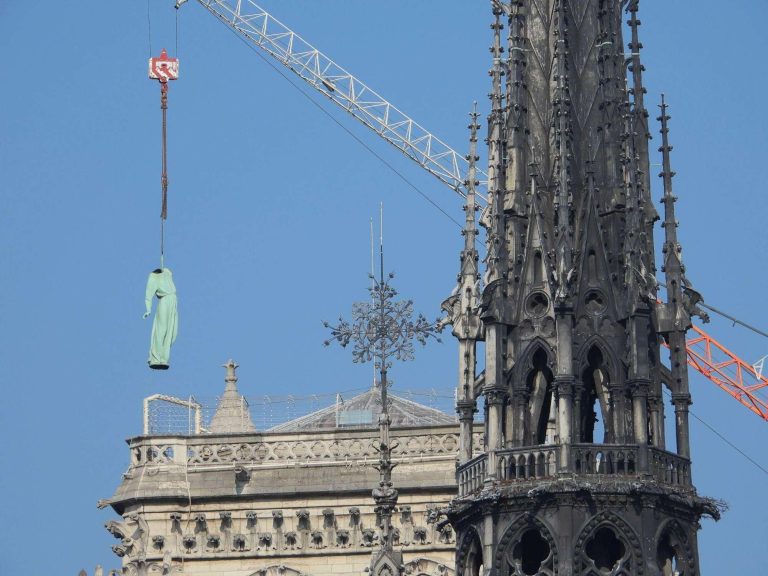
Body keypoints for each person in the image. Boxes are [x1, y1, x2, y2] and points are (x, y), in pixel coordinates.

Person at [143, 267, 178, 369]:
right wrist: (148, 309)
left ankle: (164, 357)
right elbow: (148, 296)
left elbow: (168, 271)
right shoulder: (153, 277)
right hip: (164, 301)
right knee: (161, 330)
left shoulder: (167, 272)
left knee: (172, 332)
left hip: (173, 301)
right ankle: (156, 358)